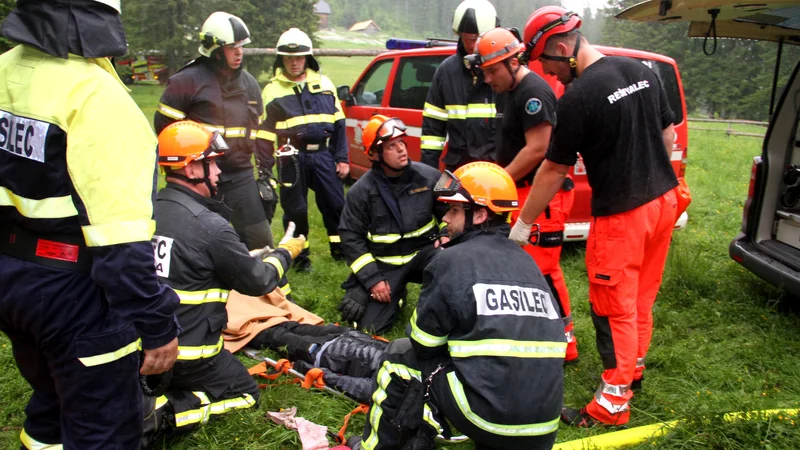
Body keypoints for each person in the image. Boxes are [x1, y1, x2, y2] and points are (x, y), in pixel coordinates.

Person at [0, 1, 180, 448]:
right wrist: (157, 326)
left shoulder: (3, 71)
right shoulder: (95, 96)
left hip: (10, 274)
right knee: (105, 429)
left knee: (51, 399)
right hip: (76, 292)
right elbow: (121, 246)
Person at [512, 6, 679, 427]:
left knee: (612, 306)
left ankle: (611, 404)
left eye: (547, 63)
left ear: (563, 47)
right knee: (641, 295)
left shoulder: (580, 98)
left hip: (622, 216)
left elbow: (552, 170)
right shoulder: (640, 70)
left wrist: (522, 224)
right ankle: (633, 369)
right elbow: (668, 134)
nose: (549, 74)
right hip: (664, 202)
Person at [347, 162, 566, 450]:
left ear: (479, 214)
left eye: (453, 211)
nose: (445, 220)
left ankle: (372, 447)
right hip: (544, 426)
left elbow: (423, 343)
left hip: (488, 420)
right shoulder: (529, 263)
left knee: (399, 357)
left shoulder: (451, 260)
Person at [148, 121, 306, 440]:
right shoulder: (211, 227)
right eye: (211, 162)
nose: (218, 171)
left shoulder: (148, 210)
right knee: (246, 393)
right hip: (191, 356)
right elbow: (259, 281)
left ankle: (150, 396)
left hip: (147, 348)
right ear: (192, 169)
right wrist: (286, 252)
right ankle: (166, 414)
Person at [471, 27, 579, 363]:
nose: (488, 79)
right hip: (520, 192)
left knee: (544, 270)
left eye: (492, 70)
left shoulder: (534, 91)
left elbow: (537, 149)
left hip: (542, 196)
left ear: (514, 61)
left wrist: (496, 180)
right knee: (520, 269)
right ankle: (532, 331)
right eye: (484, 71)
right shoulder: (507, 90)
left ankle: (565, 342)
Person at [154, 11, 275, 252]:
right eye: (232, 46)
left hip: (240, 175)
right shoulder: (185, 81)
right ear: (215, 49)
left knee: (260, 242)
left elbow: (258, 132)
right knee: (197, 242)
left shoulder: (250, 84)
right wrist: (185, 172)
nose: (239, 51)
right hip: (199, 176)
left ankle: (268, 287)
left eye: (240, 46)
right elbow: (165, 132)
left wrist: (265, 173)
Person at [337, 115, 446, 335]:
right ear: (375, 154)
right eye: (391, 146)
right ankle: (390, 293)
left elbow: (451, 214)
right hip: (386, 266)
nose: (401, 150)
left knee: (452, 268)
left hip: (425, 256)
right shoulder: (361, 192)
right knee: (370, 329)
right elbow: (351, 239)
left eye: (402, 143)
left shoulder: (429, 178)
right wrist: (371, 279)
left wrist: (446, 236)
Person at [259, 27, 349, 272]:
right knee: (295, 209)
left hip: (323, 155)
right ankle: (300, 259)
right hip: (291, 158)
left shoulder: (324, 83)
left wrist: (341, 158)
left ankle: (341, 250)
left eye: (299, 57)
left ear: (307, 58)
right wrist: (265, 171)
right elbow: (264, 135)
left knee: (335, 204)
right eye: (289, 58)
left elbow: (340, 124)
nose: (294, 63)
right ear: (281, 59)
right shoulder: (272, 90)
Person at [420, 0, 499, 171]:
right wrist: (427, 174)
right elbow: (432, 130)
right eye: (466, 38)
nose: (471, 45)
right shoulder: (446, 72)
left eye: (477, 39)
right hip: (458, 169)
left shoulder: (502, 72)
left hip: (496, 170)